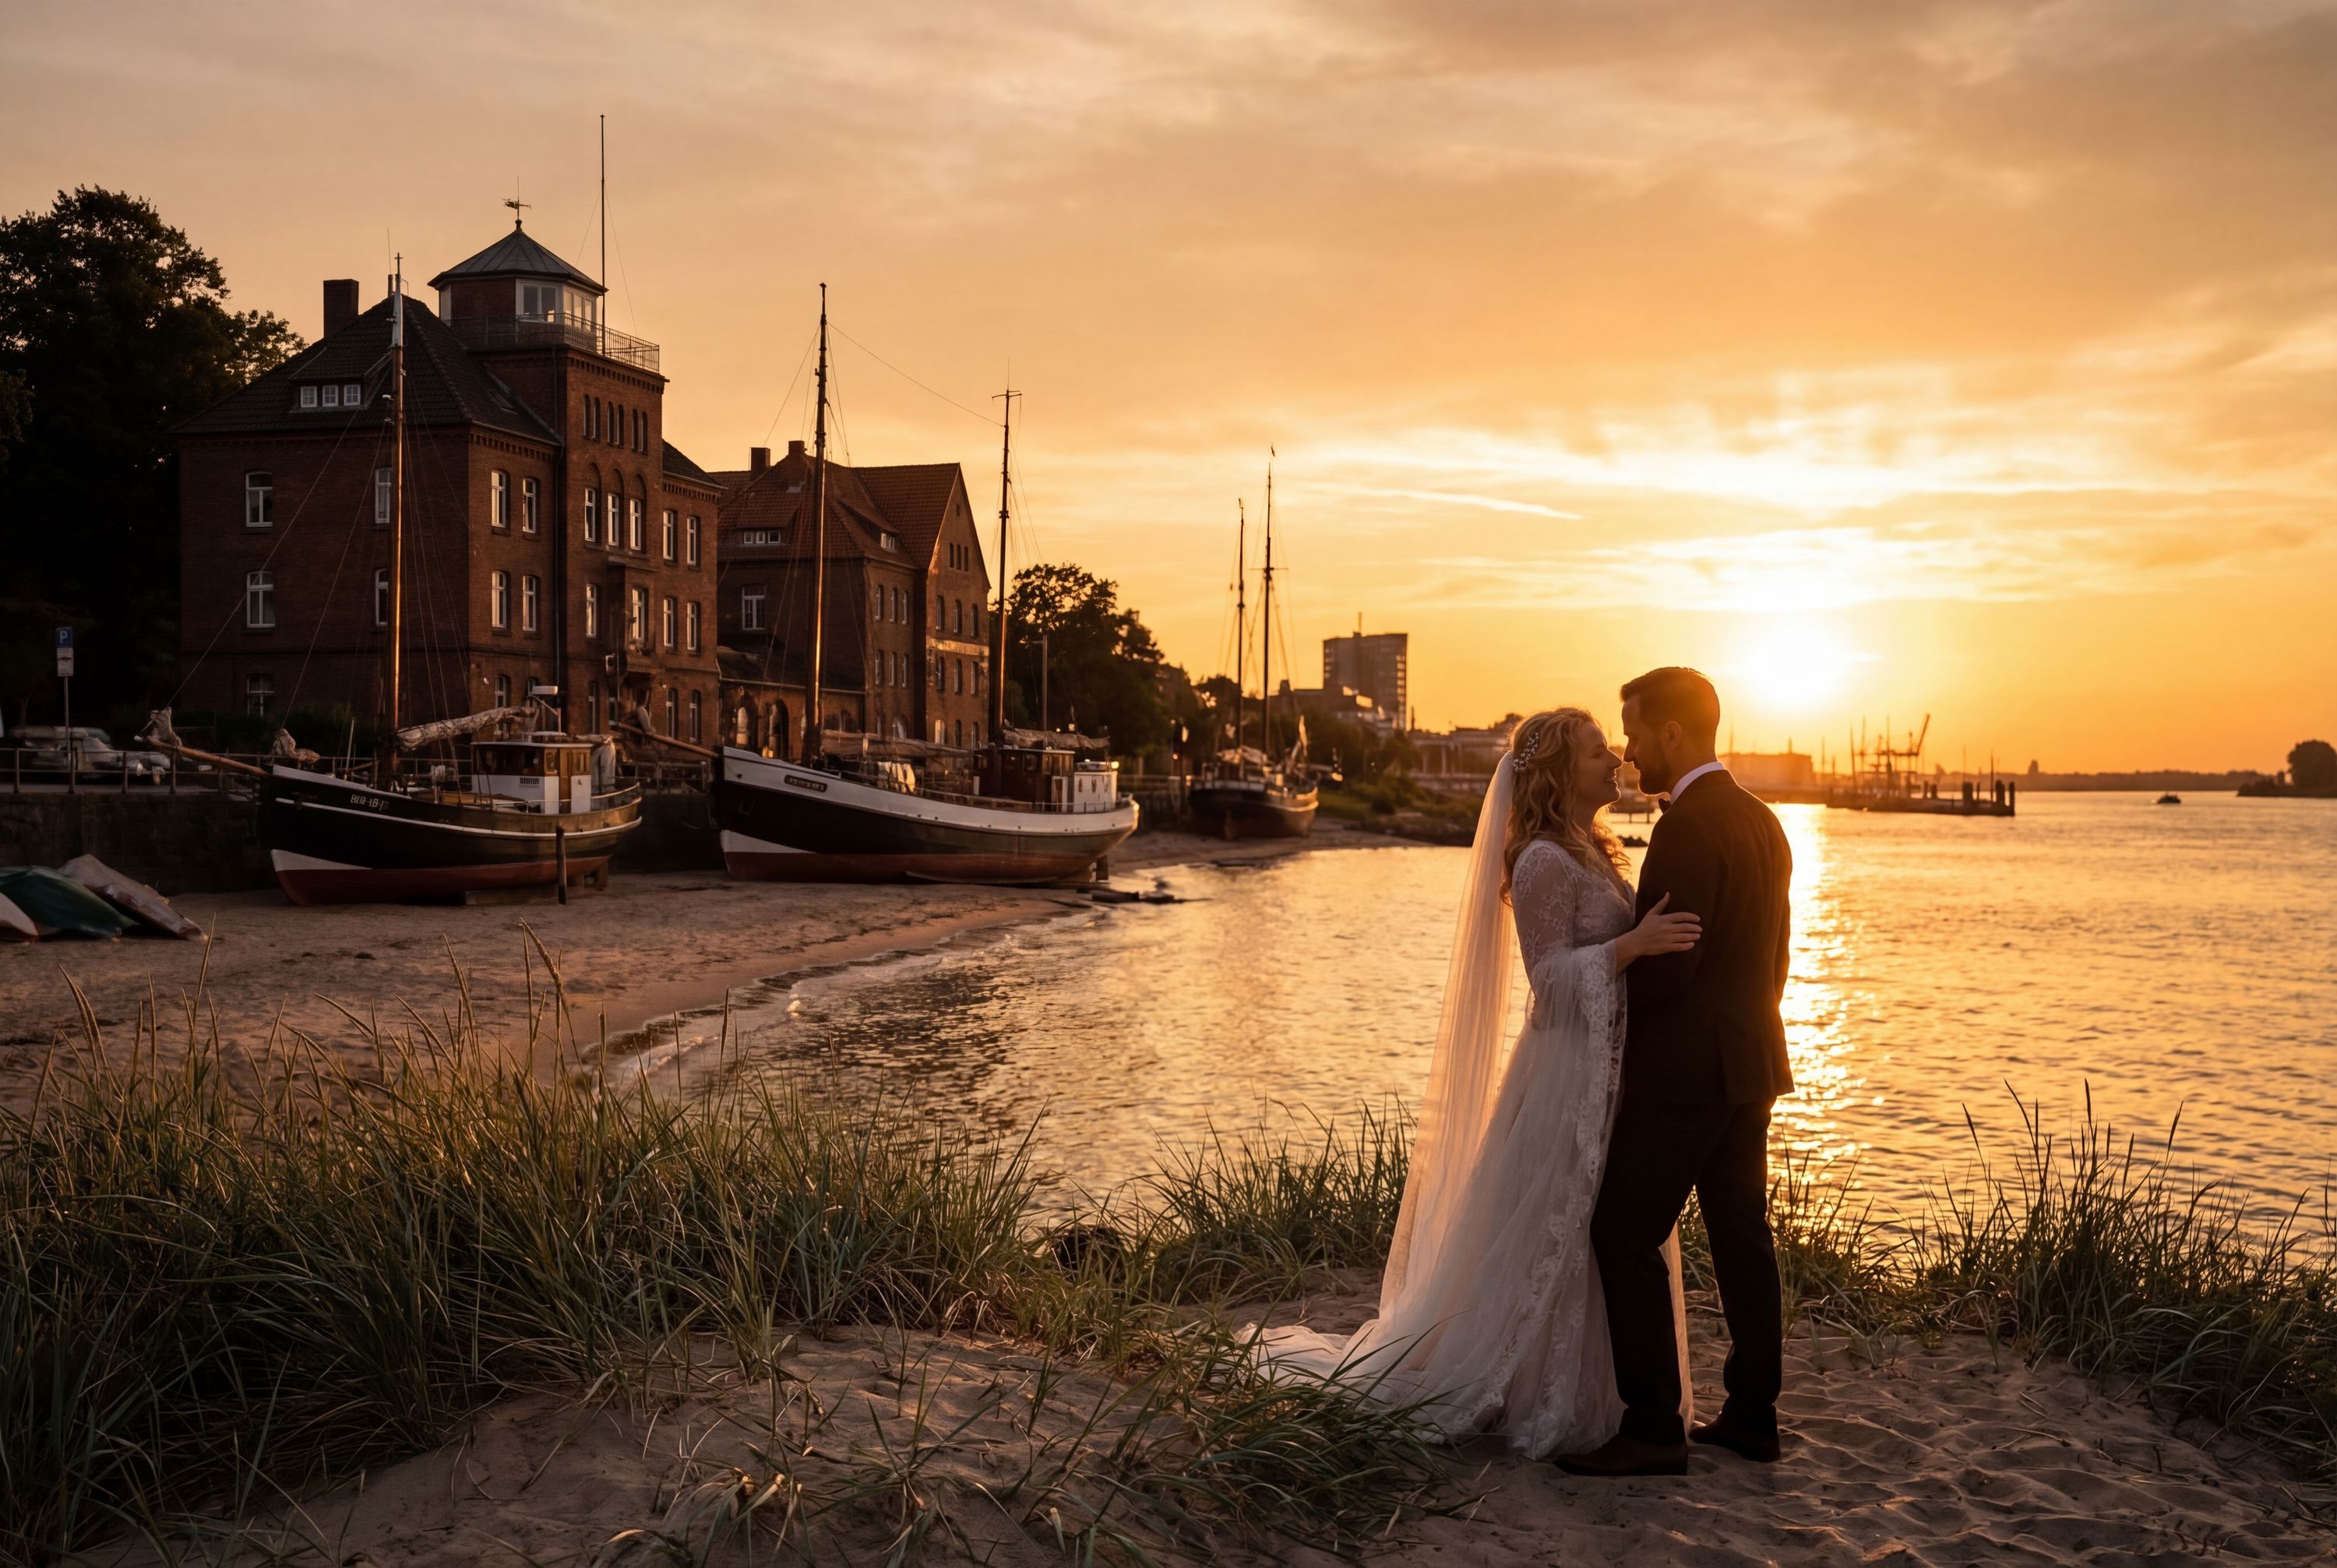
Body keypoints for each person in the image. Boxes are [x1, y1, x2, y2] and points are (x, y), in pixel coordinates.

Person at [1255, 706, 1701, 1455]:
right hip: (1563, 1076)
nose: (1615, 759)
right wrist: (1631, 946)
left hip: (1607, 1073)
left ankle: (1610, 1389)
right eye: (1598, 752)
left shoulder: (1593, 848)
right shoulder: (1541, 864)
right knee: (1556, 1222)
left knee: (1604, 1231)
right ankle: (1523, 1384)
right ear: (1561, 772)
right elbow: (1549, 981)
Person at [1556, 667, 1794, 1478]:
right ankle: (1753, 1415)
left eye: (1632, 731)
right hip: (1753, 1065)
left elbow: (1669, 967)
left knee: (1622, 1230)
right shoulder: (1765, 823)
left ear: (1671, 734)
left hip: (1686, 1076)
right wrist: (1747, 1036)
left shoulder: (1688, 829)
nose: (1626, 750)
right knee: (1741, 1240)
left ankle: (1654, 1427)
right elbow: (1776, 960)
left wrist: (1616, 1041)